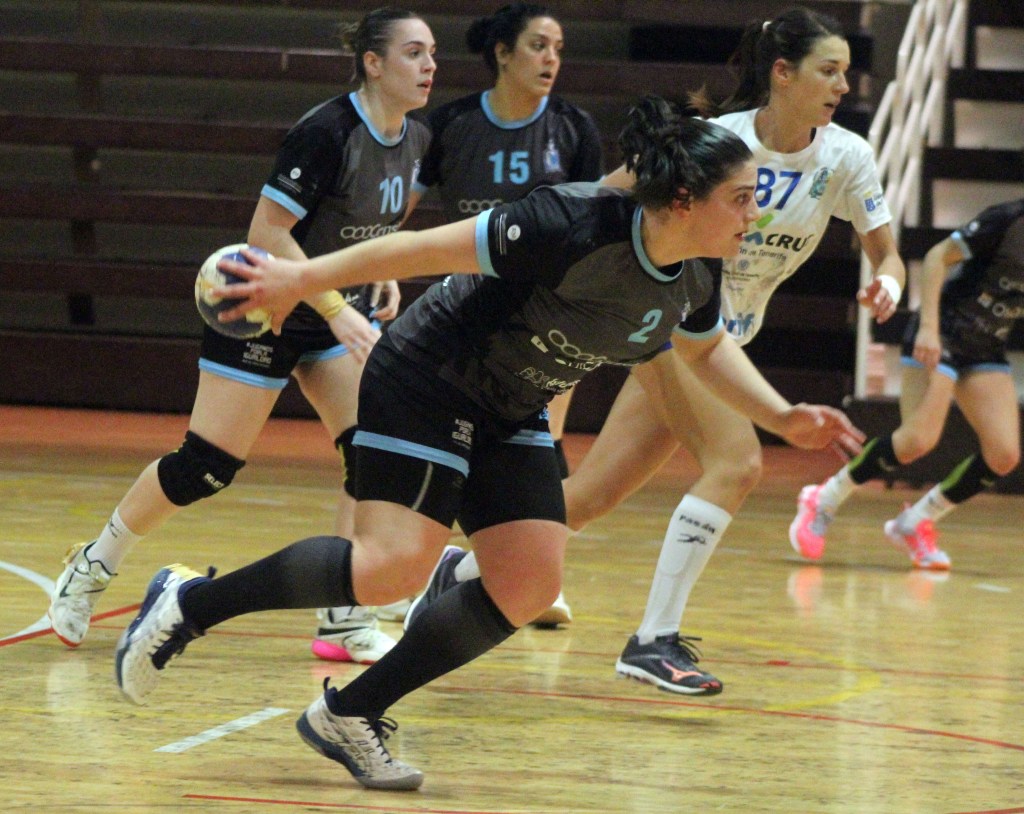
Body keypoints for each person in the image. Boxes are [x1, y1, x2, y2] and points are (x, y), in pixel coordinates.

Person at [112, 96, 863, 791]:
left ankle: (349, 713)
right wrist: (299, 279)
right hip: (430, 375)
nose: (755, 212)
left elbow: (705, 350)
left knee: (528, 583)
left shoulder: (699, 272)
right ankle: (190, 603)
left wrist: (783, 417)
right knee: (389, 567)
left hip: (512, 402)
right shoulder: (567, 223)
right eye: (742, 197)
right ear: (684, 200)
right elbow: (414, 250)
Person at [418, 6, 905, 695]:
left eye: (845, 73)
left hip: (724, 339)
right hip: (669, 321)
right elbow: (609, 194)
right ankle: (653, 641)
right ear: (783, 73)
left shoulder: (847, 157)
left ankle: (460, 568)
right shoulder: (721, 142)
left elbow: (888, 253)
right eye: (828, 71)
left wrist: (888, 282)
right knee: (736, 463)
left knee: (593, 496)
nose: (842, 86)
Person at [48, 8, 435, 666]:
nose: (429, 66)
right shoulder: (326, 132)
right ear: (373, 63)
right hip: (265, 307)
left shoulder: (417, 138)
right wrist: (337, 307)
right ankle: (91, 565)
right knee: (204, 468)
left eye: (431, 54)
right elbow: (267, 232)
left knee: (372, 452)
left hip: (332, 315)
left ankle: (344, 618)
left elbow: (375, 223)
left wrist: (383, 272)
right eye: (413, 53)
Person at [314, 2, 603, 638]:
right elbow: (395, 208)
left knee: (542, 443)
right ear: (502, 53)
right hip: (463, 314)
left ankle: (519, 573)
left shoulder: (574, 129)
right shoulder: (450, 125)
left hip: (545, 316)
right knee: (433, 444)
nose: (551, 59)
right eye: (538, 45)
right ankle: (404, 574)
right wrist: (376, 265)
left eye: (558, 48)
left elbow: (597, 222)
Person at [790, 198, 1023, 567]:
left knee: (1004, 455)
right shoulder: (1008, 220)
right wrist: (929, 328)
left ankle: (914, 522)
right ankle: (824, 498)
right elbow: (936, 257)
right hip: (943, 330)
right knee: (917, 440)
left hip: (985, 346)